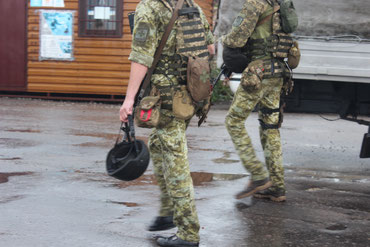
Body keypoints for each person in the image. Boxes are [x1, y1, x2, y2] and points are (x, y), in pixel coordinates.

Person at [119, 0, 215, 246]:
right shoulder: (192, 6)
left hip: (166, 98)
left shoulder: (148, 8)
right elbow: (211, 48)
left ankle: (188, 233)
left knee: (175, 163)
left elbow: (141, 57)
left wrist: (129, 99)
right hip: (190, 94)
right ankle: (169, 211)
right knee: (159, 148)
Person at [223, 0, 295, 202]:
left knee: (233, 121)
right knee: (269, 127)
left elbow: (235, 39)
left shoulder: (255, 4)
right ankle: (277, 186)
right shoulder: (282, 5)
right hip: (278, 72)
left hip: (259, 74)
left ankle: (258, 175)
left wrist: (225, 42)